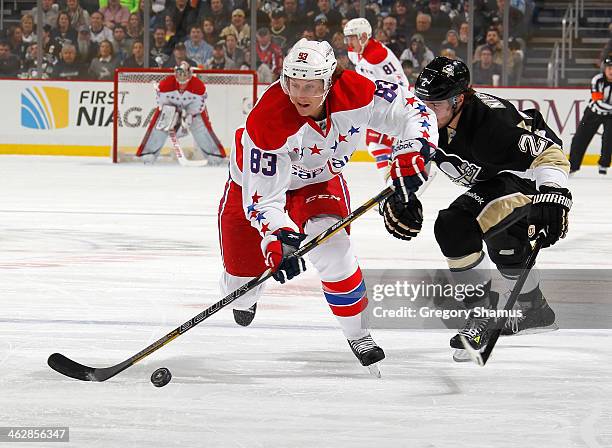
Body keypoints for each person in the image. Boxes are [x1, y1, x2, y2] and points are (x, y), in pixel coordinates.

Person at [217, 39, 437, 374]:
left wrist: (414, 148)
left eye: (310, 86)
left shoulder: (356, 93)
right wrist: (279, 236)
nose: (300, 95)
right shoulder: (268, 121)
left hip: (318, 183)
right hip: (251, 187)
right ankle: (248, 294)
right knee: (239, 288)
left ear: (330, 80)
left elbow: (413, 108)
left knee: (336, 251)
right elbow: (263, 199)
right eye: (293, 84)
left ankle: (358, 333)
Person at [382, 57, 571, 361]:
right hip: (494, 180)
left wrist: (554, 195)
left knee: (455, 226)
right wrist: (401, 194)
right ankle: (535, 309)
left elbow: (548, 153)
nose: (426, 112)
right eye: (423, 102)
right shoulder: (426, 119)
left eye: (436, 105)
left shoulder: (491, 125)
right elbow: (419, 159)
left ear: (458, 100)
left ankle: (481, 314)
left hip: (526, 176)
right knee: (506, 245)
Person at [344, 18, 410, 180]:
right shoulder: (354, 53)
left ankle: (396, 184)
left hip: (394, 104)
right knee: (378, 146)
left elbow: (401, 83)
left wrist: (397, 108)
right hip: (379, 105)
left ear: (364, 36)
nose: (349, 42)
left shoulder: (378, 56)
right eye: (348, 37)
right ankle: (396, 182)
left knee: (377, 145)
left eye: (352, 37)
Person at [137, 61, 226, 165]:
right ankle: (148, 154)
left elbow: (199, 108)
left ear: (189, 74)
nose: (182, 77)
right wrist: (173, 115)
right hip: (170, 109)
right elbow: (161, 105)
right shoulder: (165, 85)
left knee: (201, 129)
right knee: (160, 126)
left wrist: (188, 116)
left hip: (192, 112)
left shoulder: (198, 86)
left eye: (184, 74)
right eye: (180, 74)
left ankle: (215, 155)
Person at [569, 56, 612, 175]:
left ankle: (604, 164)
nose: (611, 71)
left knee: (609, 138)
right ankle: (572, 165)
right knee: (580, 138)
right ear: (604, 68)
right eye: (609, 68)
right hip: (593, 112)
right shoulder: (597, 80)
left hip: (610, 116)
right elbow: (598, 103)